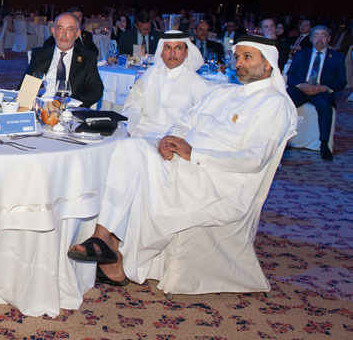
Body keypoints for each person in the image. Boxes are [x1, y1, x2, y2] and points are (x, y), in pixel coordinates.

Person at [67, 35, 297, 288]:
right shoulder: (223, 92)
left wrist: (193, 154)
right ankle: (104, 238)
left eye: (247, 57)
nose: (239, 63)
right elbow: (186, 121)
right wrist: (171, 141)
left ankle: (113, 257)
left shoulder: (275, 104)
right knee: (127, 148)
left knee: (137, 166)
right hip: (187, 162)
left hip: (219, 179)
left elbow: (254, 160)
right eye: (237, 57)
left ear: (268, 63)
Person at [123, 31, 209, 138]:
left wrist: (177, 138)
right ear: (161, 52)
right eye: (167, 48)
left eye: (178, 48)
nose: (172, 53)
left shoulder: (197, 83)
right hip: (142, 133)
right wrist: (128, 129)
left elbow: (199, 120)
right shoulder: (150, 76)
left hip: (178, 137)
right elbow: (133, 106)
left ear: (186, 52)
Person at [285, 25, 347, 161]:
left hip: (321, 91)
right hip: (301, 89)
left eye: (323, 35)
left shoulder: (337, 58)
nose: (319, 39)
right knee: (284, 103)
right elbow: (291, 75)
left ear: (329, 39)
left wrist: (324, 88)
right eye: (316, 35)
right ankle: (280, 139)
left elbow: (342, 81)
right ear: (311, 39)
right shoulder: (301, 54)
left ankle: (324, 145)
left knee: (325, 106)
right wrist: (301, 85)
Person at [25, 12, 103, 108]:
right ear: (53, 32)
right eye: (60, 28)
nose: (64, 34)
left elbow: (96, 90)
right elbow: (25, 88)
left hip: (69, 108)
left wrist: (70, 103)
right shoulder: (40, 55)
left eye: (70, 29)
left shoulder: (87, 58)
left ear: (77, 34)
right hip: (40, 107)